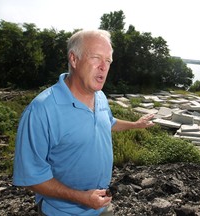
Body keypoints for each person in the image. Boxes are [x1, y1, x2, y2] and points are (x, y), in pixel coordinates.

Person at [12, 29, 154, 216]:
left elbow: (108, 122)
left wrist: (136, 125)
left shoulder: (101, 97)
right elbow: (31, 177)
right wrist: (81, 198)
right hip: (62, 212)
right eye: (96, 58)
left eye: (108, 60)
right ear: (74, 59)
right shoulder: (41, 110)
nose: (104, 67)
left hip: (102, 206)